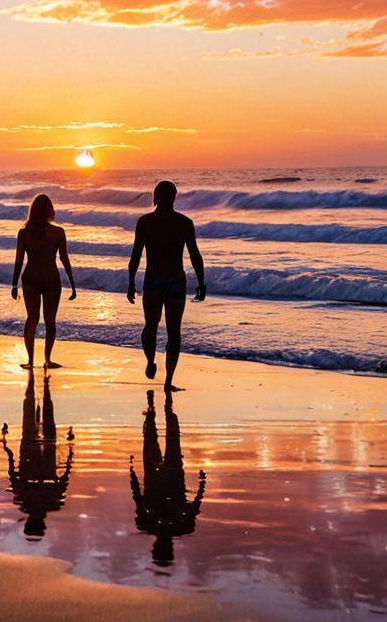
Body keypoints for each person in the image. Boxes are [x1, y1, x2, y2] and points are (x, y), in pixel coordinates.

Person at [127, 180, 205, 392]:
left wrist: (131, 281)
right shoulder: (184, 223)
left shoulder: (145, 222)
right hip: (175, 282)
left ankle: (150, 360)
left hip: (153, 280)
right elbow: (195, 255)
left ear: (155, 197)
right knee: (174, 332)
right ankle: (168, 380)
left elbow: (136, 255)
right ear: (174, 198)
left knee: (150, 326)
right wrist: (201, 281)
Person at [129, 390, 206, 566]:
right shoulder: (183, 526)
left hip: (156, 475)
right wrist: (202, 482)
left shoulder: (145, 524)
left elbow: (137, 497)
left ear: (155, 546)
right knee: (169, 438)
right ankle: (166, 406)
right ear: (170, 548)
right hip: (173, 473)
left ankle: (154, 408)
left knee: (152, 437)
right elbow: (196, 504)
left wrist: (132, 471)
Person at [1, 369, 74, 539]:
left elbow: (65, 477)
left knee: (45, 413)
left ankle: (38, 383)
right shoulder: (27, 500)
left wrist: (70, 454)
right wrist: (8, 451)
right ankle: (35, 382)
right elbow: (12, 473)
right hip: (31, 447)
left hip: (38, 449)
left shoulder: (46, 502)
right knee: (32, 408)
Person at [11, 194, 76, 369]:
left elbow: (19, 261)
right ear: (50, 210)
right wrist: (72, 283)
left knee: (32, 319)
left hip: (30, 278)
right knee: (50, 321)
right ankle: (47, 359)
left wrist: (14, 284)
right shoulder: (58, 232)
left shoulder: (24, 233)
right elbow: (64, 259)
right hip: (51, 279)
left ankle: (30, 361)